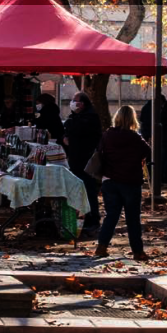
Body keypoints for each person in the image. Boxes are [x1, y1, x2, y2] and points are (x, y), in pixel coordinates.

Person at [95, 104, 152, 260]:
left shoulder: (107, 135)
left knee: (111, 215)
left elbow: (100, 152)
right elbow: (147, 152)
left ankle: (101, 246)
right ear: (133, 119)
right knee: (132, 218)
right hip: (130, 181)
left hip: (110, 180)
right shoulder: (135, 138)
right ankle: (137, 251)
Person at [62, 90, 102, 235]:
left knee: (89, 191)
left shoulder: (90, 117)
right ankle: (83, 218)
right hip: (76, 159)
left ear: (83, 104)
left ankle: (93, 220)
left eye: (75, 100)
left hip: (86, 161)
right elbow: (68, 129)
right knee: (80, 190)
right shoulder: (76, 117)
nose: (73, 102)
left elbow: (79, 131)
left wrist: (70, 135)